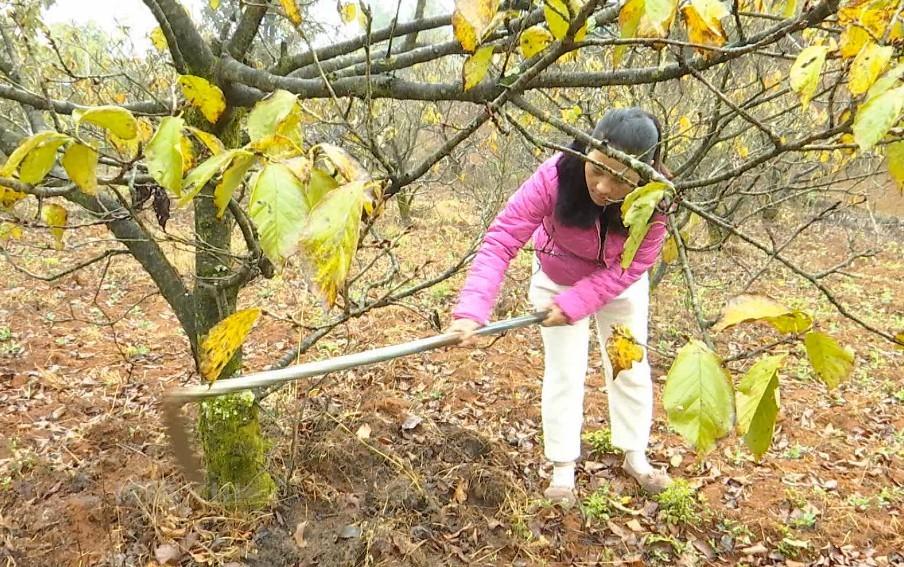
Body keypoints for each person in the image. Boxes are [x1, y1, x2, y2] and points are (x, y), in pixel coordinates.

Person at [447, 107, 673, 508]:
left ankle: (635, 455)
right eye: (596, 170)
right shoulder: (554, 176)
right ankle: (563, 468)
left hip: (619, 286)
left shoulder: (658, 201)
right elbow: (502, 239)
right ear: (586, 151)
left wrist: (580, 303)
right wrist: (471, 310)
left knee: (629, 367)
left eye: (621, 180)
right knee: (565, 372)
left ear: (644, 174)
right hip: (557, 280)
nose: (603, 187)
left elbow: (634, 265)